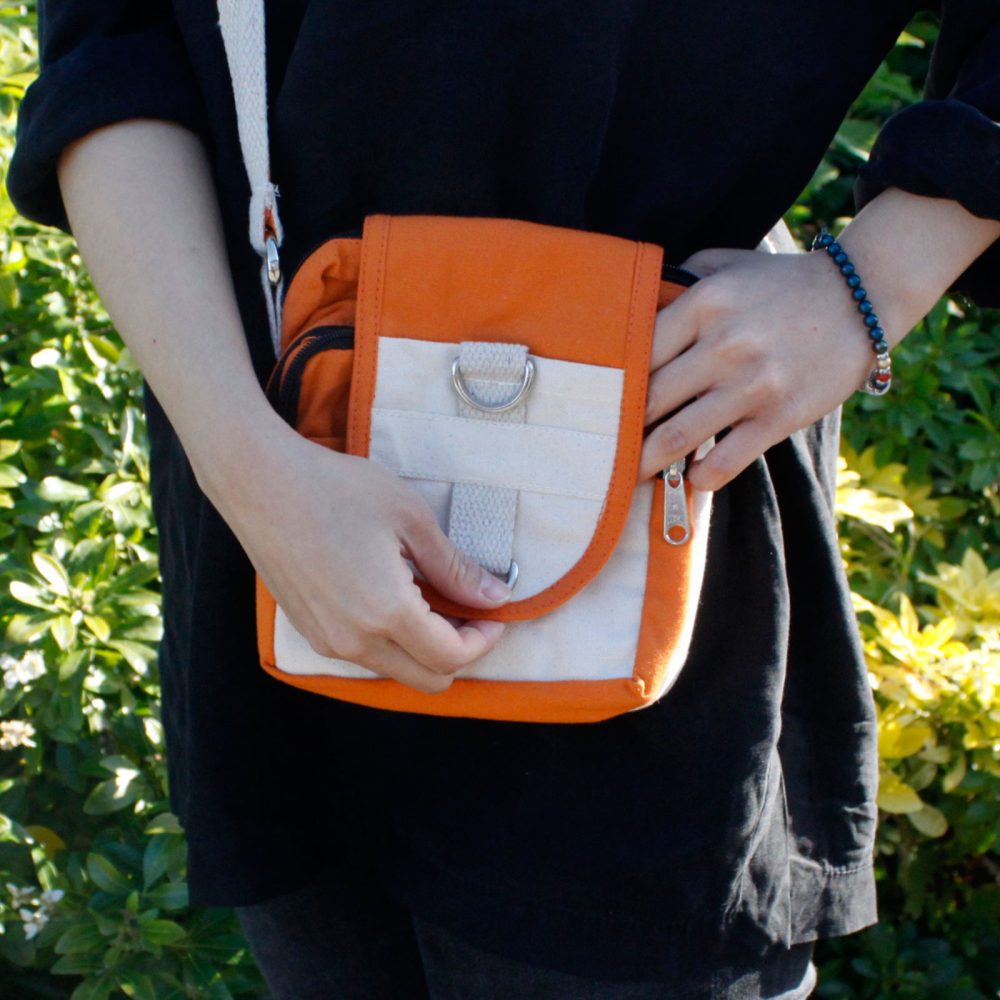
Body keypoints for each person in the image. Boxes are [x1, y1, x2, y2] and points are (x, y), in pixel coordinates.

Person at [7, 2, 999, 997]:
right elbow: (114, 47)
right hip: (277, 503)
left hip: (655, 535)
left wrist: (863, 287)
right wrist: (244, 465)